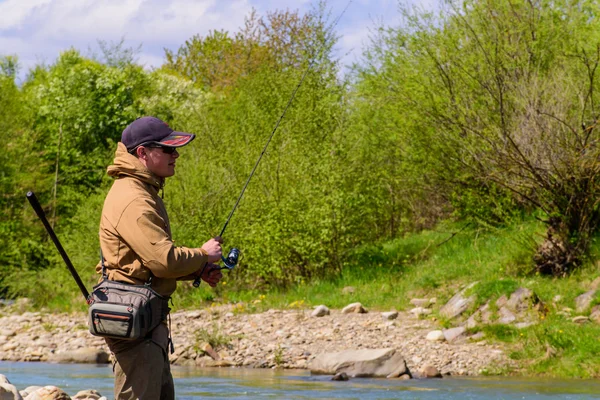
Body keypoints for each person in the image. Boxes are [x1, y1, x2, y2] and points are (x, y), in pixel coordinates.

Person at [97, 116, 223, 399]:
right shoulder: (134, 198)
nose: (175, 155)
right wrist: (204, 254)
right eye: (167, 149)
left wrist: (197, 269)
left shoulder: (141, 190)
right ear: (142, 153)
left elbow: (144, 262)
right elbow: (162, 260)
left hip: (145, 323)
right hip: (136, 326)